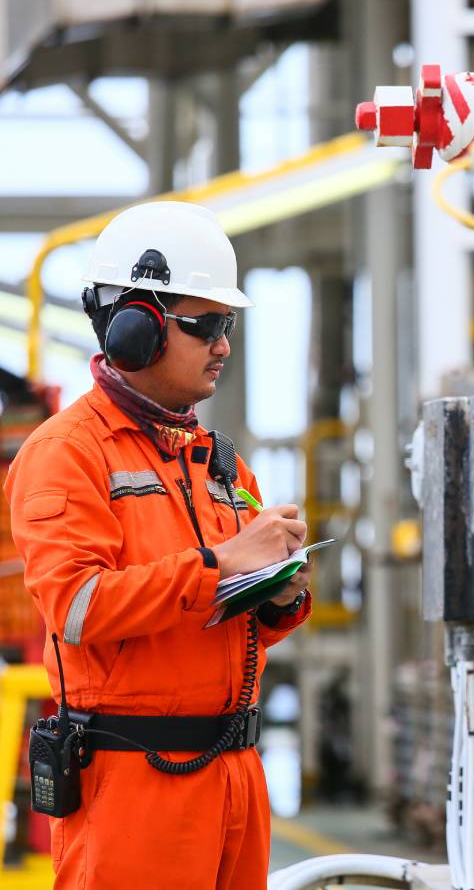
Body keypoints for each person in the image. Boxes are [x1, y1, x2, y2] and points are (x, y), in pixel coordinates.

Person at [4, 200, 312, 889]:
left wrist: (281, 592)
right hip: (134, 786)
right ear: (133, 330)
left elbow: (226, 621)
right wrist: (224, 563)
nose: (224, 345)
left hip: (234, 778)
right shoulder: (66, 454)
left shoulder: (218, 461)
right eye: (204, 326)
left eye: (226, 325)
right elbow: (77, 607)